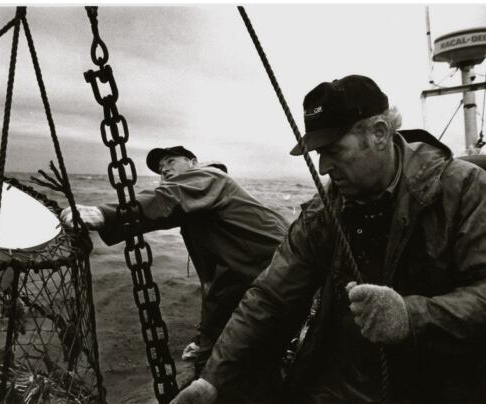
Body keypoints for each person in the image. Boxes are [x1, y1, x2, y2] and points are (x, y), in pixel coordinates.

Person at [172, 75, 486, 403]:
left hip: (445, 382)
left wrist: (411, 316)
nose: (323, 168)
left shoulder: (466, 190)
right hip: (344, 385)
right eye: (319, 153)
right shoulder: (324, 211)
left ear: (379, 133)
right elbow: (271, 297)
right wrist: (213, 380)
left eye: (333, 150)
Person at [60, 145, 289, 377]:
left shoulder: (210, 176)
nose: (164, 170)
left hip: (282, 263)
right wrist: (206, 338)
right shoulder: (198, 209)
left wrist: (104, 214)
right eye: (160, 169)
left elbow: (168, 197)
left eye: (170, 161)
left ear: (193, 161)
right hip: (267, 268)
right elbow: (218, 281)